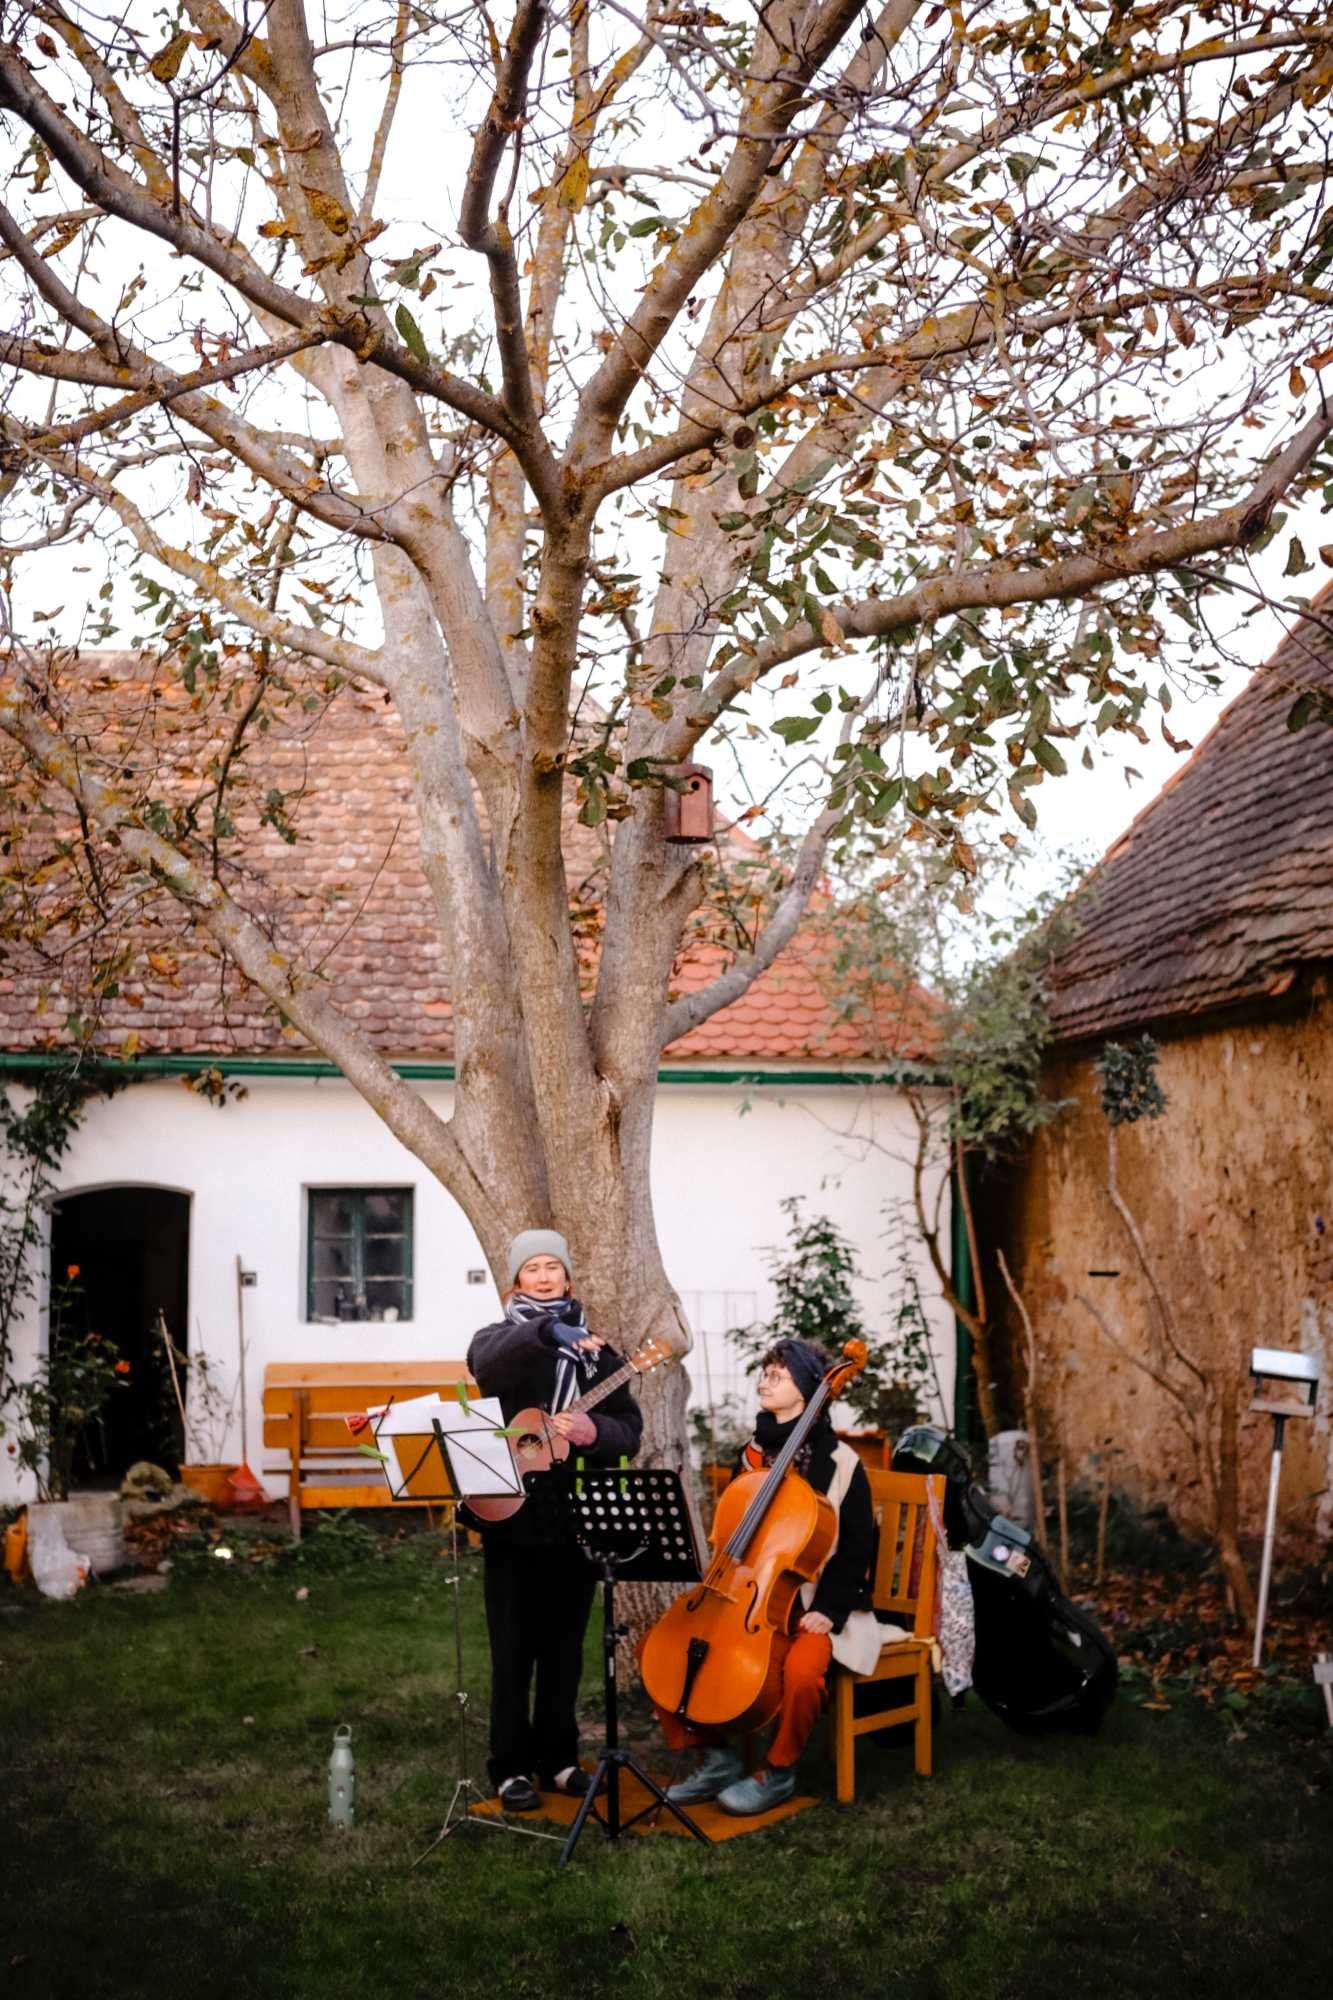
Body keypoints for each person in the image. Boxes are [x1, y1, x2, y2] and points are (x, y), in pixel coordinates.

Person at [655, 1337, 875, 1815]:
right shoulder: (752, 1455)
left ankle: (778, 1770)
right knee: (663, 1649)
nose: (765, 1381)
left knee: (802, 1672)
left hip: (812, 1603)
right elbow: (735, 1532)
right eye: (765, 1372)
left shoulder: (841, 1463)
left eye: (779, 1374)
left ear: (809, 1389)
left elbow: (858, 1546)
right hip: (744, 1598)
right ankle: (716, 1758)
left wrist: (829, 1609)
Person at [465, 1229, 643, 1814]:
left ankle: (559, 1759)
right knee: (512, 1650)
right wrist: (548, 1332)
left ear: (568, 1277)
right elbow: (489, 1367)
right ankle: (510, 1767)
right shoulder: (497, 1340)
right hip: (512, 1516)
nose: (544, 1278)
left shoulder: (599, 1355)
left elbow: (629, 1430)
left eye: (553, 1268)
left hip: (574, 1515)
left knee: (565, 1648)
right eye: (532, 1269)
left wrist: (596, 1432)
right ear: (516, 1280)